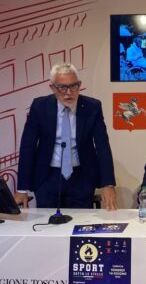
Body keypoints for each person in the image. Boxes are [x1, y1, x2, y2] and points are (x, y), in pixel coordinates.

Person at [15, 63, 117, 210]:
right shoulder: (40, 106)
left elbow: (103, 146)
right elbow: (28, 146)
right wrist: (21, 189)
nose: (68, 93)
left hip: (82, 178)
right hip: (47, 178)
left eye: (73, 86)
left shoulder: (92, 107)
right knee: (48, 222)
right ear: (52, 87)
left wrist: (108, 184)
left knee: (81, 222)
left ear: (79, 84)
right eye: (62, 87)